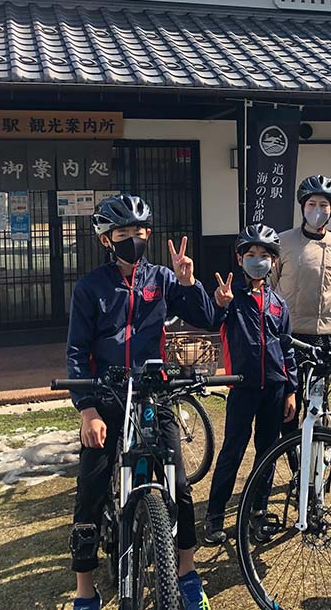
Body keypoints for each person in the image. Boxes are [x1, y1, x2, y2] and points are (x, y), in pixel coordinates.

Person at [66, 193, 215, 610]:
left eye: (139, 231)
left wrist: (188, 282)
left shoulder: (163, 279)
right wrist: (87, 409)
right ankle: (85, 590)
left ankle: (186, 573)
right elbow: (76, 351)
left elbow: (206, 317)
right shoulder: (90, 288)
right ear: (106, 240)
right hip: (106, 396)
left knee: (179, 486)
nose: (133, 239)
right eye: (123, 233)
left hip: (154, 392)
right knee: (91, 489)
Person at [202, 224, 298, 546]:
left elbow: (286, 347)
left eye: (264, 255)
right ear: (240, 258)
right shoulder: (231, 299)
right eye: (251, 254)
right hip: (241, 388)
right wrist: (219, 303)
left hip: (274, 389)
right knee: (232, 452)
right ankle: (214, 516)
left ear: (272, 260)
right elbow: (212, 321)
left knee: (267, 454)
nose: (258, 260)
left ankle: (258, 511)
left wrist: (291, 389)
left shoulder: (278, 304)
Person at [272, 174, 331, 434]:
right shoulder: (283, 241)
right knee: (287, 408)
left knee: (316, 407)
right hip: (289, 337)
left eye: (324, 205)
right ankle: (296, 468)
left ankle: (315, 467)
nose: (318, 211)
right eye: (312, 204)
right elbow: (272, 285)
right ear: (302, 207)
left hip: (322, 338)